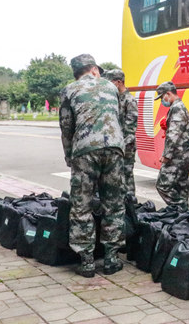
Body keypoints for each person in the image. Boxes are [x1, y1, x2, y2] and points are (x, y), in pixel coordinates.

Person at [59, 54, 125, 277]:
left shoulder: (69, 90)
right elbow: (118, 118)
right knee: (114, 204)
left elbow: (66, 127)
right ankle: (111, 258)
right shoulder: (110, 87)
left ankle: (87, 261)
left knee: (82, 205)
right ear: (94, 69)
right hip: (115, 149)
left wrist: (69, 156)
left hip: (85, 151)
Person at [154, 81, 189, 209]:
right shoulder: (179, 107)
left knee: (162, 185)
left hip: (177, 156)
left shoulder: (177, 108)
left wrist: (167, 155)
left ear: (168, 94)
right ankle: (184, 217)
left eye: (162, 97)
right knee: (180, 187)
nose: (161, 101)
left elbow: (173, 135)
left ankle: (179, 208)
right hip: (183, 154)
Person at [103, 69, 138, 197]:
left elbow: (131, 128)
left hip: (126, 146)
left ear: (118, 82)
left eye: (111, 82)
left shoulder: (129, 100)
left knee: (127, 174)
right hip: (117, 144)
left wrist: (122, 146)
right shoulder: (115, 99)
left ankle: (130, 202)